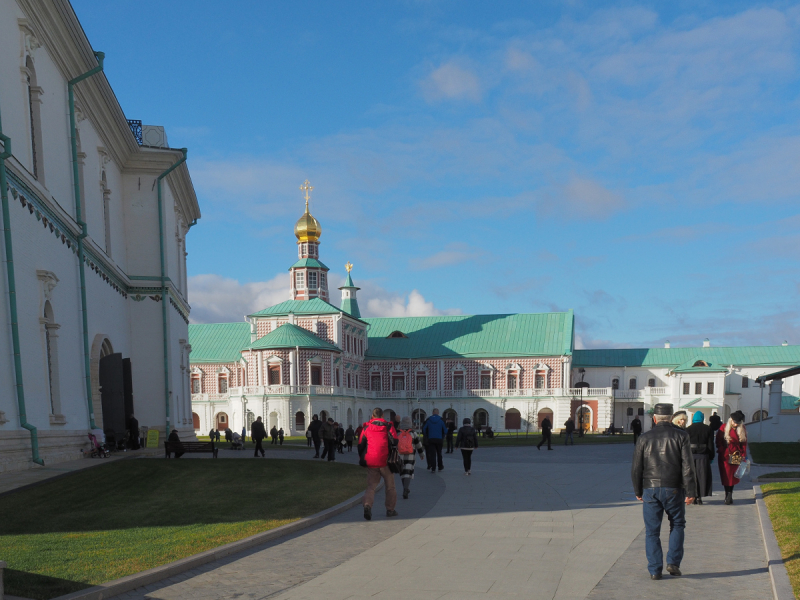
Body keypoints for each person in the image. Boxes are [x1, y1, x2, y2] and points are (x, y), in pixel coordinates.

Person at [631, 403, 696, 580]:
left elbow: (637, 468)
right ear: (671, 417)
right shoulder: (681, 435)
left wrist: (638, 489)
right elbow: (688, 466)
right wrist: (691, 491)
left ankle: (654, 569)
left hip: (650, 488)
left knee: (652, 531)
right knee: (677, 524)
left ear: (654, 419)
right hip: (674, 487)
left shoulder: (644, 438)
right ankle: (673, 562)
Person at [358, 407, 398, 520]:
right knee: (390, 487)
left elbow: (360, 445)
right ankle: (390, 509)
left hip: (371, 461)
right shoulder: (389, 427)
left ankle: (367, 505)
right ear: (382, 416)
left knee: (371, 487)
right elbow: (395, 441)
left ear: (372, 416)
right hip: (386, 461)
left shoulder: (366, 428)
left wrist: (362, 457)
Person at [716, 411, 747, 505]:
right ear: (731, 420)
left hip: (736, 455)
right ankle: (727, 494)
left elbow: (744, 444)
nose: (735, 424)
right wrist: (722, 450)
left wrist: (743, 455)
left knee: (733, 476)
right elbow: (718, 441)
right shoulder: (724, 427)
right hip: (725, 456)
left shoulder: (742, 429)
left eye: (737, 422)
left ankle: (730, 494)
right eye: (734, 422)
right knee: (726, 476)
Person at [686, 411, 714, 504]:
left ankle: (693, 495)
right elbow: (710, 444)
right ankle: (699, 497)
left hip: (691, 456)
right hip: (703, 456)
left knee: (692, 477)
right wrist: (711, 456)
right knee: (702, 476)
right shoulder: (708, 429)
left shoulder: (688, 429)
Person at [397, 416, 425, 499]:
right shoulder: (413, 433)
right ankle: (406, 489)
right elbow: (418, 445)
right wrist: (422, 454)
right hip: (410, 455)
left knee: (402, 472)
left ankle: (405, 488)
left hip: (400, 455)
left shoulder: (398, 433)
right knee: (408, 472)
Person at [422, 408, 447, 472]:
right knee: (439, 453)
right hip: (439, 439)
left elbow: (424, 429)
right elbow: (445, 430)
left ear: (433, 412)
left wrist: (427, 436)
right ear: (438, 413)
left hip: (431, 439)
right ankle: (440, 466)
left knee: (432, 454)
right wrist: (443, 436)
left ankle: (433, 468)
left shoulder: (429, 420)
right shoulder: (441, 420)